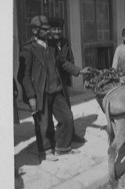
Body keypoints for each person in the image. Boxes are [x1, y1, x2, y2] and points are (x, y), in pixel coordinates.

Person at [18, 15, 80, 161]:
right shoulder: (27, 48)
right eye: (45, 30)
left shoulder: (52, 44)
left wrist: (78, 71)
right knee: (43, 124)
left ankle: (62, 148)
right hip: (40, 93)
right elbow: (23, 76)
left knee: (67, 118)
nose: (49, 32)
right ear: (35, 30)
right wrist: (31, 96)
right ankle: (45, 151)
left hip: (57, 90)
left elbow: (62, 62)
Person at [49, 17, 90, 142]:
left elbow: (70, 60)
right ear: (49, 30)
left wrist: (69, 75)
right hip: (51, 83)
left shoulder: (65, 42)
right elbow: (61, 62)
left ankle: (71, 135)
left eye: (59, 29)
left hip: (63, 81)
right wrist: (79, 71)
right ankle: (52, 141)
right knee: (51, 115)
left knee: (67, 109)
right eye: (54, 29)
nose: (57, 31)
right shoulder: (48, 44)